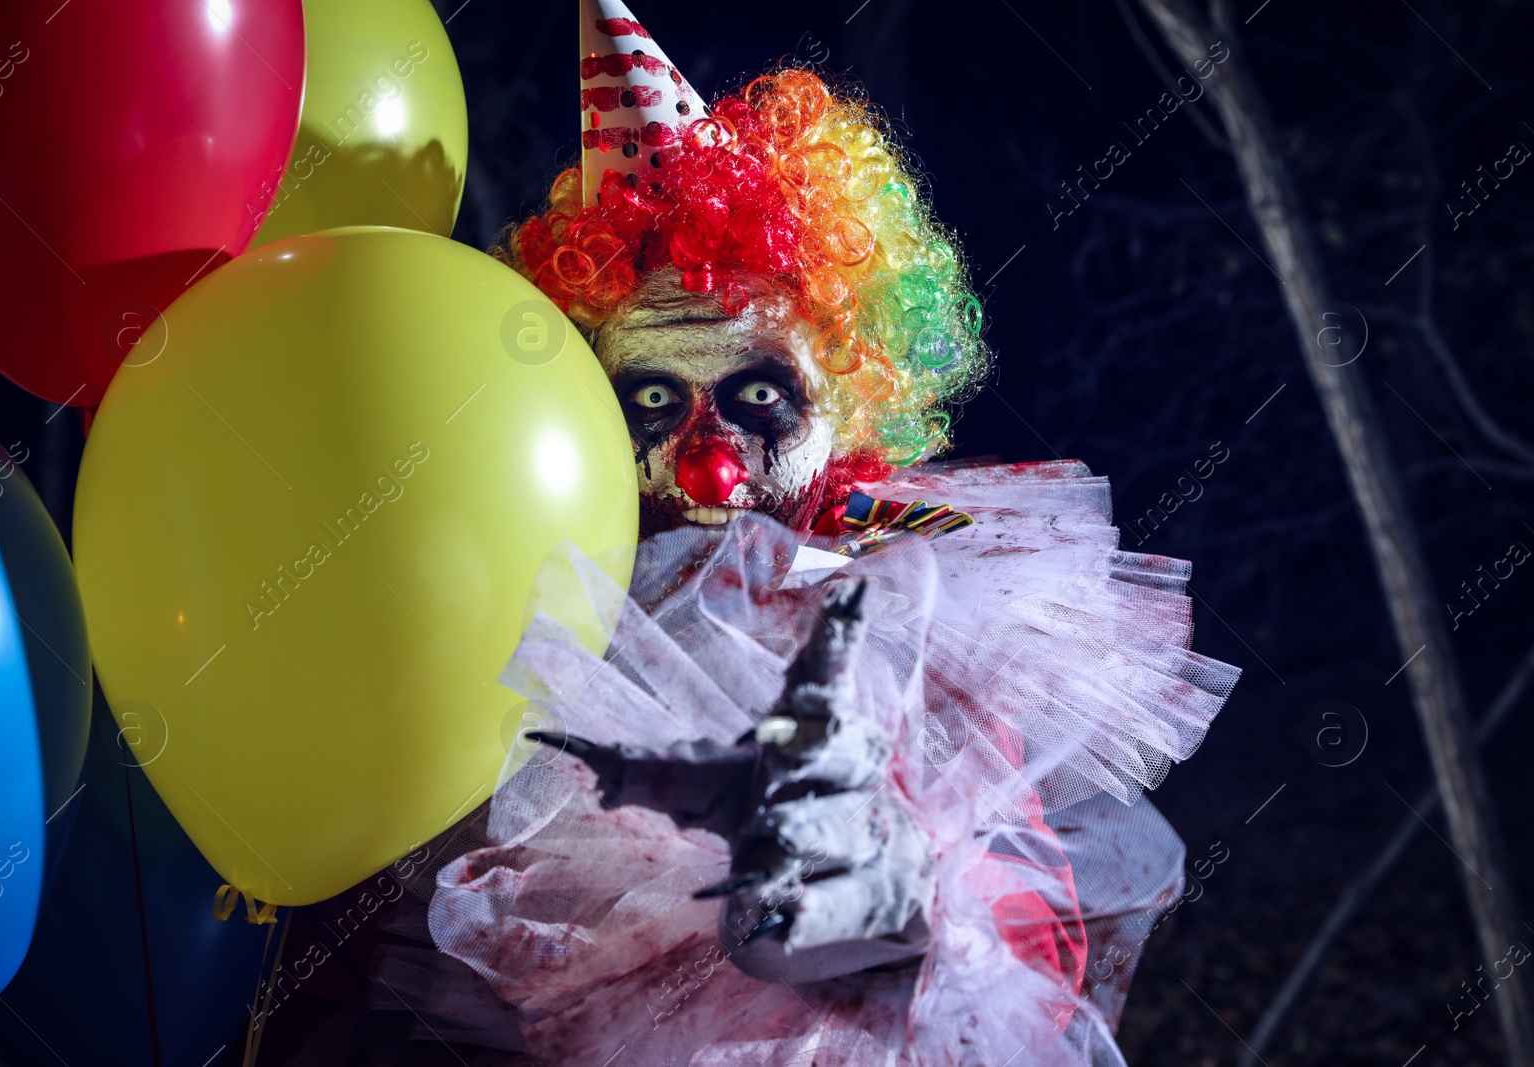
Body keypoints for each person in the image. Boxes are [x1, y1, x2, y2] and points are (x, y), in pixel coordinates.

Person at [266, 3, 1239, 1063]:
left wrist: (908, 903)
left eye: (761, 394)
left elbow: (1035, 944)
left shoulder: (909, 595)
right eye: (650, 401)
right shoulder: (513, 589)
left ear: (856, 397)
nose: (710, 462)